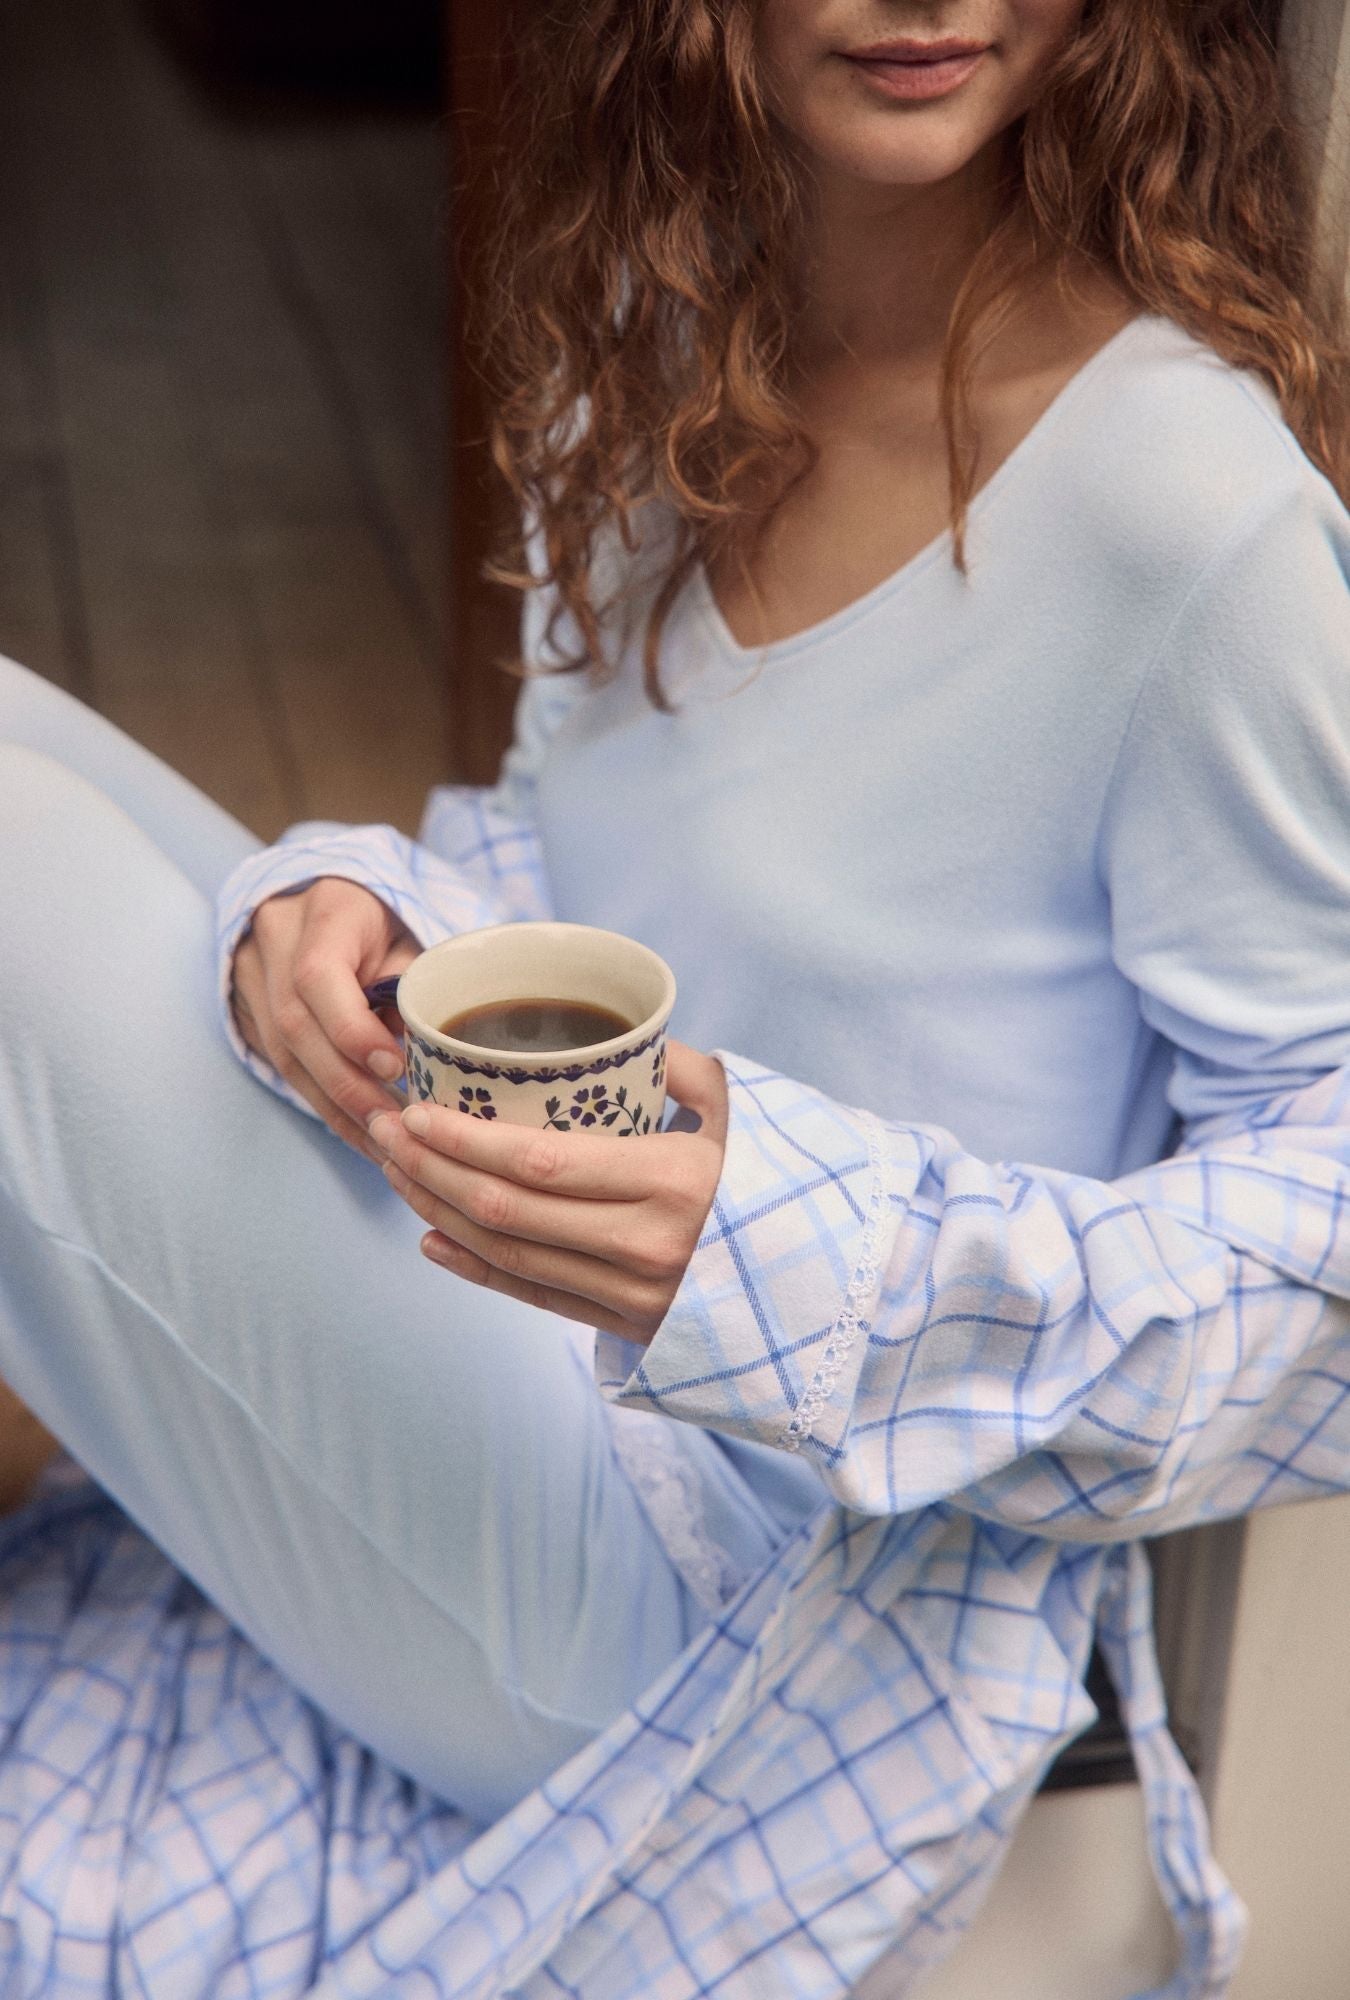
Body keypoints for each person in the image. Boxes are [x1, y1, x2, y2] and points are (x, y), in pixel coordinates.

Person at [0, 0, 1347, 1992]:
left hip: (751, 1608)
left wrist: (784, 1253)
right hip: (524, 1378)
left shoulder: (1190, 515)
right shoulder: (663, 357)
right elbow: (563, 872)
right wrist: (354, 910)